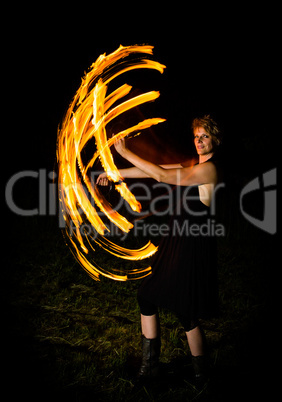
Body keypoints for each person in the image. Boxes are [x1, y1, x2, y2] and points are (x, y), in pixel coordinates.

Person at [97, 115, 222, 387]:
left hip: (189, 247)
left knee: (161, 299)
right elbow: (152, 170)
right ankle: (188, 373)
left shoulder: (209, 171)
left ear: (215, 140)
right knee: (176, 306)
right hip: (176, 242)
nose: (199, 141)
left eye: (205, 136)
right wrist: (115, 174)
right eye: (197, 136)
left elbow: (162, 175)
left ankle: (160, 369)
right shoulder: (191, 165)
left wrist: (126, 152)